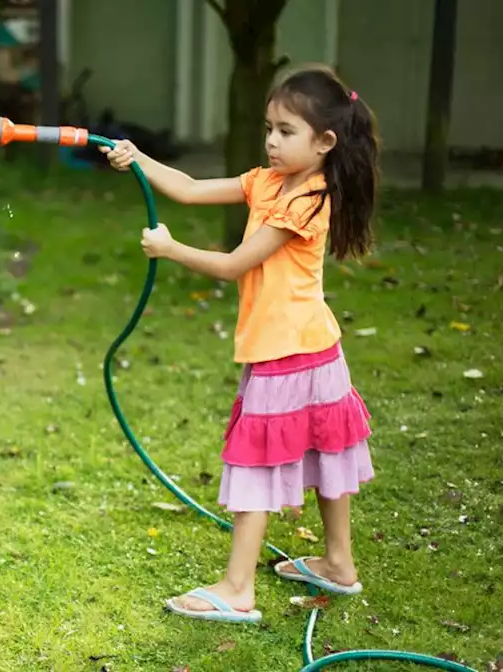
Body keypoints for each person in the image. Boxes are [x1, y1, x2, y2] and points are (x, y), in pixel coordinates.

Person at [99, 64, 380, 623]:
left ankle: (237, 588)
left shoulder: (308, 203)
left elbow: (232, 266)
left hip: (288, 355)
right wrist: (138, 158)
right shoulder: (270, 183)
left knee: (258, 463)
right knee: (326, 454)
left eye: (286, 131)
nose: (272, 141)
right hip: (308, 350)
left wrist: (171, 250)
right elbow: (191, 187)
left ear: (325, 142)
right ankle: (338, 564)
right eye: (268, 128)